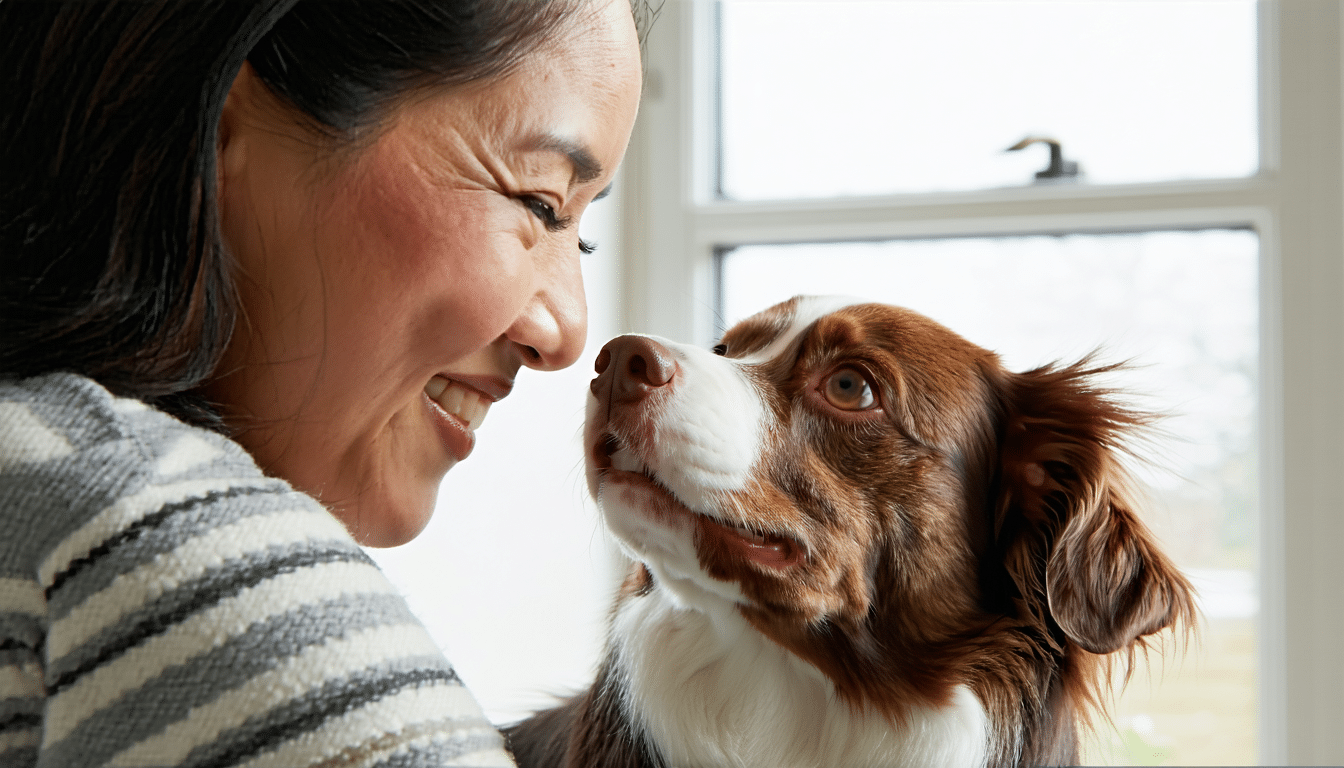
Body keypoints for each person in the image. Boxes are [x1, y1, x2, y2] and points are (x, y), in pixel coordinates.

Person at [0, 0, 643, 765]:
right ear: (220, 131)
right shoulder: (183, 561)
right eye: (539, 202)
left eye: (585, 234)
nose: (568, 332)